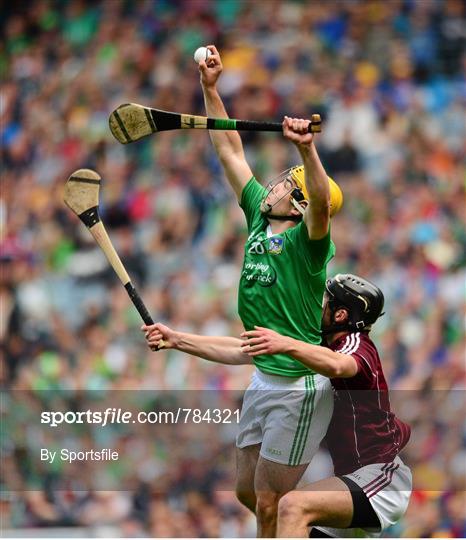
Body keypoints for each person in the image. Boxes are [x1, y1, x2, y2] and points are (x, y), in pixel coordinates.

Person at [184, 44, 342, 535]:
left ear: (294, 203)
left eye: (283, 184)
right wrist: (210, 90)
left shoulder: (308, 244)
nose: (270, 185)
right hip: (261, 377)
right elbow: (229, 148)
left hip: (297, 386)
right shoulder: (258, 215)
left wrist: (306, 150)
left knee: (271, 502)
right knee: (247, 493)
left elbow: (320, 203)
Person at [143, 273, 412, 539]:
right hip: (348, 478)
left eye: (325, 302)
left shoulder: (357, 346)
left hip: (382, 478)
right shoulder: (316, 345)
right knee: (260, 501)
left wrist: (286, 344)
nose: (318, 306)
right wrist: (177, 340)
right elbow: (243, 349)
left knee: (293, 506)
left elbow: (339, 365)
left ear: (340, 315)